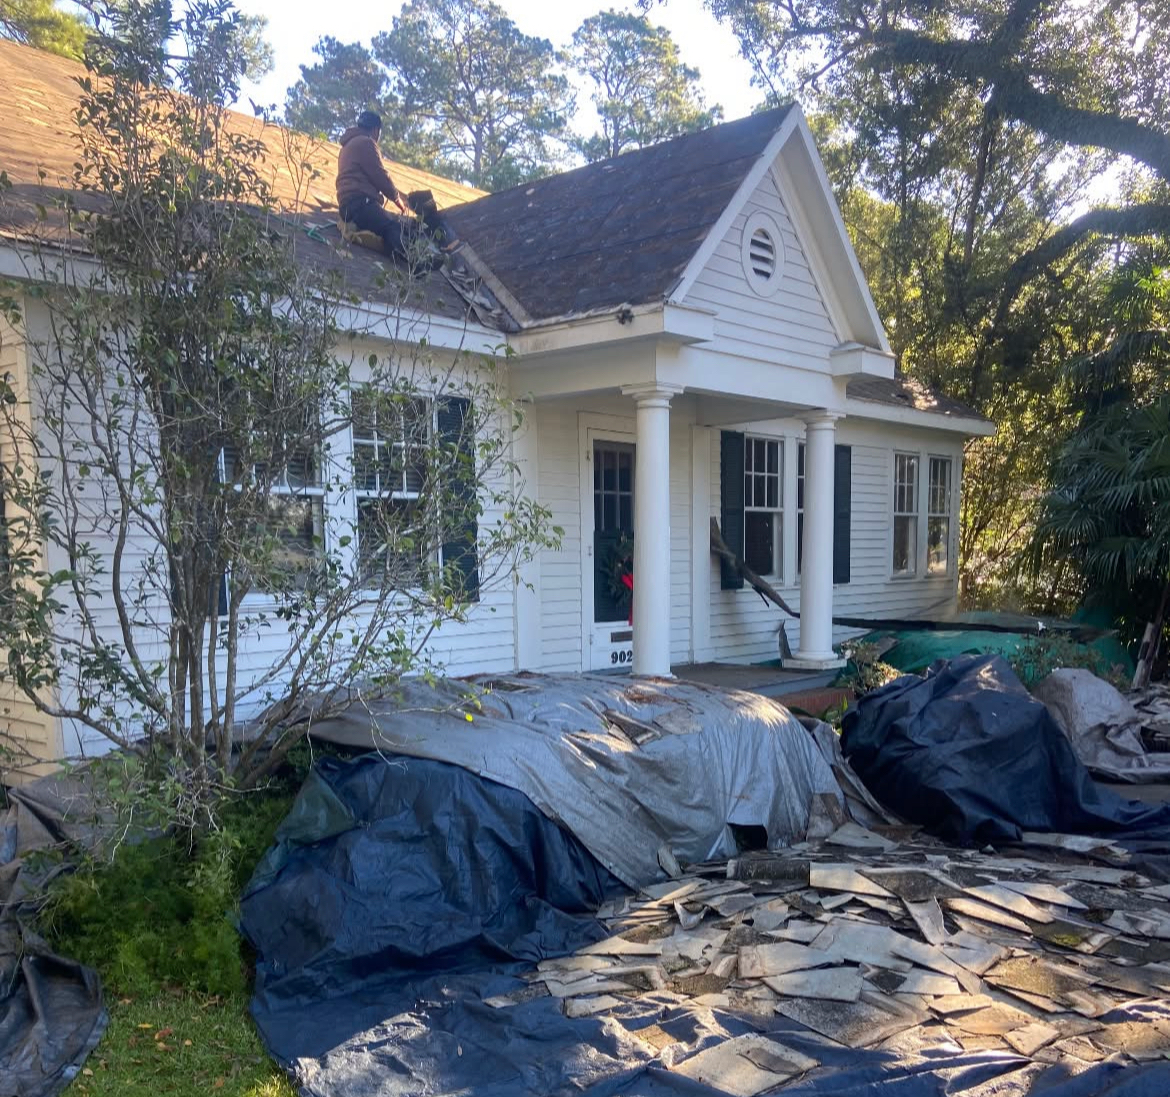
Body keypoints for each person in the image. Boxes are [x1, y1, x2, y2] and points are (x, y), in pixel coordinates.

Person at [336, 111, 459, 261]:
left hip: (347, 206)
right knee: (392, 227)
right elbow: (380, 175)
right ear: (376, 130)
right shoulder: (366, 143)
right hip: (362, 204)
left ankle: (405, 253)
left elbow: (367, 176)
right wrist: (396, 198)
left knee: (387, 227)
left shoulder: (346, 147)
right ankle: (415, 262)